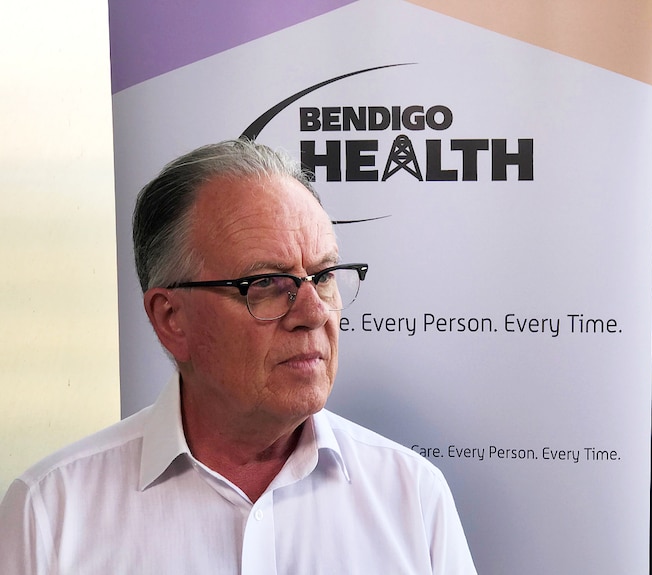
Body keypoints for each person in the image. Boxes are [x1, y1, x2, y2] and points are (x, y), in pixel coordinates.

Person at [0, 139, 477, 574]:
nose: (313, 312)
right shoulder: (52, 512)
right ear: (171, 318)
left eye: (325, 275)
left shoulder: (412, 496)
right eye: (266, 283)